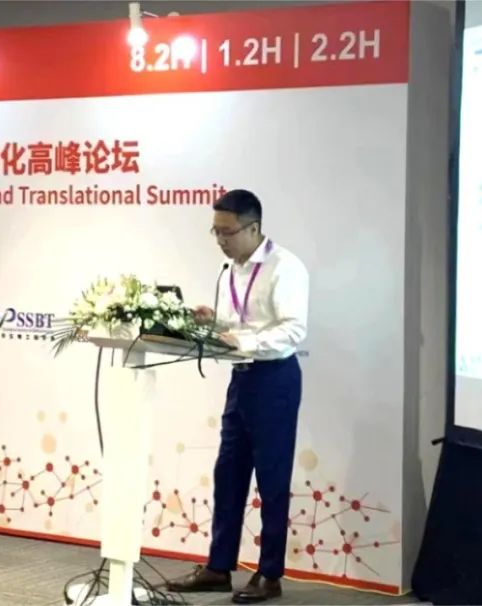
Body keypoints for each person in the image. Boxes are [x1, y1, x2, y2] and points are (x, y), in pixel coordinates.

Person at [167, 189, 309, 603]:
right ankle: (218, 566)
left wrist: (242, 340)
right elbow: (241, 323)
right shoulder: (228, 270)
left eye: (227, 232)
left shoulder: (285, 267)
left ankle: (270, 574)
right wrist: (214, 323)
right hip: (241, 379)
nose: (220, 240)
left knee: (272, 479)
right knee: (228, 474)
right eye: (215, 231)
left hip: (275, 380)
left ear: (253, 228)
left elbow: (292, 330)